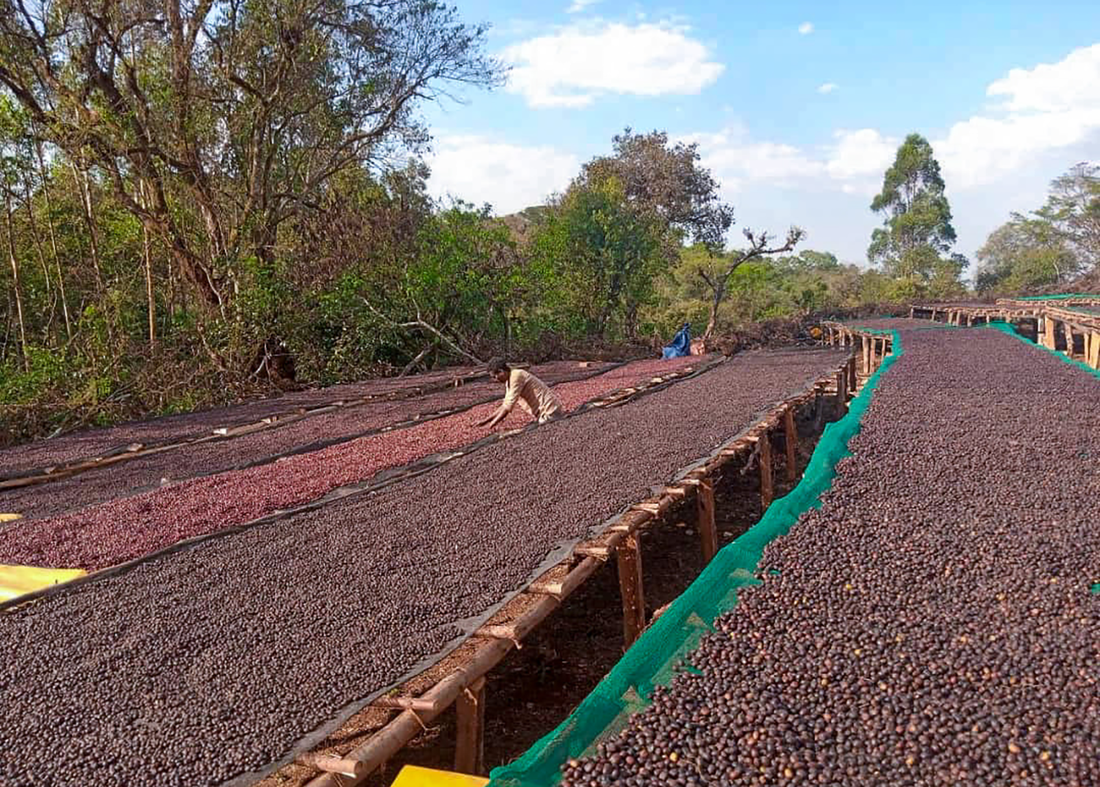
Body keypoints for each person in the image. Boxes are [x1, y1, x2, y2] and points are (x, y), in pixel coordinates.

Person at [475, 357, 564, 428]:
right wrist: (485, 421)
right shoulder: (509, 381)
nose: (496, 379)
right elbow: (504, 404)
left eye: (496, 376)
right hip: (544, 413)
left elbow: (508, 406)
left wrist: (492, 425)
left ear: (501, 371)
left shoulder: (516, 376)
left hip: (550, 411)